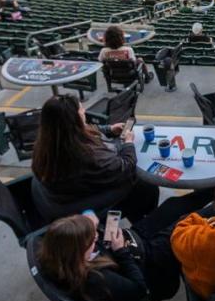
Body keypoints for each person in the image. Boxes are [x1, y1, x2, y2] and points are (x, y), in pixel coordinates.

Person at [36, 186, 214, 301]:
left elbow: (85, 234)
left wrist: (91, 220)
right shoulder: (97, 280)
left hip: (136, 236)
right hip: (150, 258)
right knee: (190, 222)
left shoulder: (60, 252)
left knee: (174, 205)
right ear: (77, 253)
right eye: (91, 241)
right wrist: (120, 250)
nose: (96, 238)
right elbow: (139, 289)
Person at [30, 95, 157, 223]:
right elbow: (125, 167)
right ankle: (142, 227)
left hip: (58, 197)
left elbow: (83, 130)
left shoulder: (47, 141)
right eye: (80, 110)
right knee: (146, 188)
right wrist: (128, 143)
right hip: (79, 207)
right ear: (74, 120)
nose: (84, 111)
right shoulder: (88, 155)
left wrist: (109, 130)